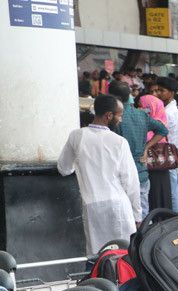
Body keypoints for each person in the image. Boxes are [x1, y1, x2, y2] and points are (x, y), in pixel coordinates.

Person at [57, 95, 142, 254]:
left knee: (97, 256)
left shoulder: (77, 136)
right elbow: (131, 183)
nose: (120, 120)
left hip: (91, 205)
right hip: (117, 205)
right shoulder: (119, 142)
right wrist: (137, 215)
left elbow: (63, 168)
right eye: (119, 115)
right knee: (122, 255)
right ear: (109, 115)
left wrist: (82, 163)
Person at [110, 81, 166, 217]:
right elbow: (163, 130)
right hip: (141, 174)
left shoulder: (112, 118)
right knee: (143, 216)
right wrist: (146, 147)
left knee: (124, 218)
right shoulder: (141, 115)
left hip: (120, 177)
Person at [153, 77, 178, 214]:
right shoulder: (171, 107)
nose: (158, 93)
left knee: (172, 192)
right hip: (174, 154)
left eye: (161, 90)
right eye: (157, 90)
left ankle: (177, 219)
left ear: (171, 92)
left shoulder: (168, 112)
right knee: (174, 189)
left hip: (169, 155)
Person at [138, 94, 175, 211]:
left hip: (154, 165)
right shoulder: (159, 119)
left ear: (151, 107)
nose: (140, 109)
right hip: (159, 164)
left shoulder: (155, 123)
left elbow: (150, 136)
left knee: (155, 197)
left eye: (142, 106)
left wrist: (146, 146)